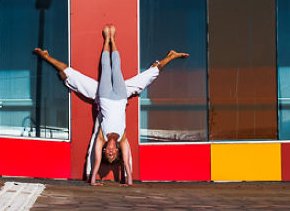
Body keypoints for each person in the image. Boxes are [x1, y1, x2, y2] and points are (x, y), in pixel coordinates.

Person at [33, 24, 188, 185]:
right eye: (114, 155)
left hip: (105, 96)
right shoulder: (122, 139)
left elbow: (96, 162)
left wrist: (93, 181)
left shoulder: (101, 138)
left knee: (106, 68)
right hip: (121, 96)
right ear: (117, 151)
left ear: (106, 151)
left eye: (109, 154)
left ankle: (105, 40)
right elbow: (127, 164)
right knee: (118, 69)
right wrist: (128, 180)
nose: (112, 152)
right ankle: (116, 40)